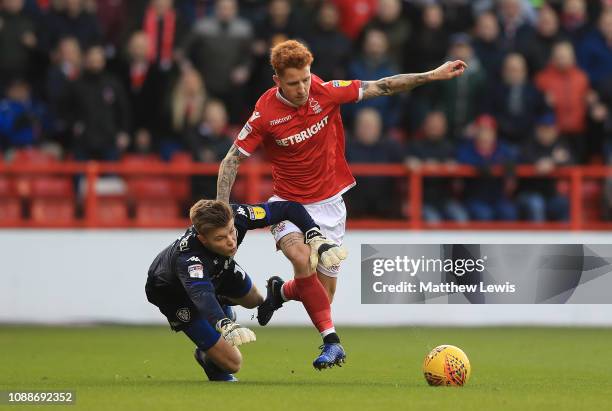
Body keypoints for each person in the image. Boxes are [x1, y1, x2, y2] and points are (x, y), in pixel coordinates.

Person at [215, 39, 466, 368]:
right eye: (293, 83)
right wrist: (222, 213)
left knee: (322, 293)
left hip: (330, 205)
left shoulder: (326, 92)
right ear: (277, 81)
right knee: (300, 256)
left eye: (306, 78)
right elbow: (231, 160)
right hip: (287, 205)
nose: (303, 88)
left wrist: (431, 75)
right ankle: (331, 342)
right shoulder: (264, 113)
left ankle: (281, 293)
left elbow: (383, 86)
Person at [145, 199, 346, 381]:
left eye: (232, 231)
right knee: (233, 363)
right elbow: (201, 295)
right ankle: (207, 358)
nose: (231, 241)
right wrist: (224, 324)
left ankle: (224, 309)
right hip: (173, 293)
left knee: (255, 300)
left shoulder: (237, 214)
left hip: (217, 268)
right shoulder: (190, 260)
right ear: (203, 240)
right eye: (220, 238)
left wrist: (313, 232)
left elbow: (288, 208)